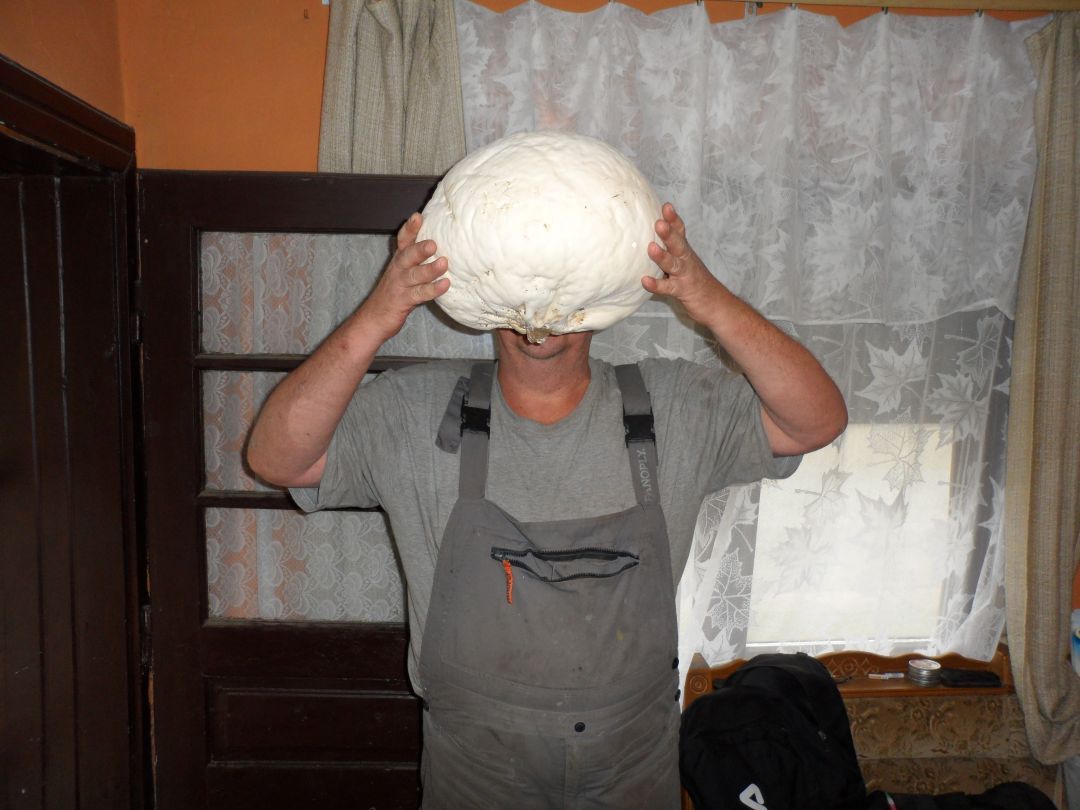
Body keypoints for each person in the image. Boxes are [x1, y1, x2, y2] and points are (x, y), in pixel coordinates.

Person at [246, 203, 848, 809]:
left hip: (634, 764)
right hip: (475, 769)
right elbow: (277, 460)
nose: (540, 309)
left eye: (561, 283)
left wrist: (708, 298)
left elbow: (817, 420)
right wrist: (378, 315)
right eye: (521, 282)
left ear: (598, 286)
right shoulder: (413, 410)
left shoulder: (674, 405)